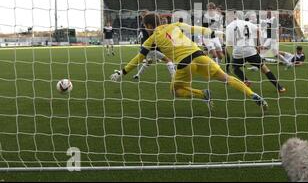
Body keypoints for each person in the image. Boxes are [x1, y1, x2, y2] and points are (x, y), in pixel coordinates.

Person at [110, 13, 268, 111]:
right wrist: (216, 33)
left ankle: (202, 94)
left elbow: (138, 58)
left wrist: (122, 72)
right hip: (200, 56)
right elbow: (195, 28)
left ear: (150, 25)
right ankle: (253, 94)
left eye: (146, 26)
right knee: (226, 78)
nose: (146, 29)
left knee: (175, 91)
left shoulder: (151, 39)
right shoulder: (175, 25)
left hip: (184, 64)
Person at [226, 14, 286, 93]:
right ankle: (279, 88)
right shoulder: (247, 23)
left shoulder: (229, 27)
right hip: (250, 50)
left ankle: (246, 80)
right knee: (265, 69)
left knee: (235, 68)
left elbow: (230, 44)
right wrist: (258, 44)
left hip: (238, 52)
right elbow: (258, 30)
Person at [133, 10, 176, 80]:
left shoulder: (143, 25)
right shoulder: (147, 26)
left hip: (148, 48)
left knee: (148, 62)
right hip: (151, 48)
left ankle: (137, 75)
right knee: (168, 60)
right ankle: (174, 77)